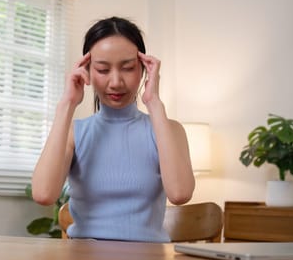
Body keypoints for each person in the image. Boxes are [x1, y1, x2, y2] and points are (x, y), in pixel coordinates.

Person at [31, 16, 195, 242]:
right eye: (103, 69)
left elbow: (180, 194)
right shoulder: (74, 133)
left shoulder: (169, 130)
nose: (116, 82)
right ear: (87, 71)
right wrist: (67, 104)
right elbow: (43, 194)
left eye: (127, 68)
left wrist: (154, 102)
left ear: (144, 70)